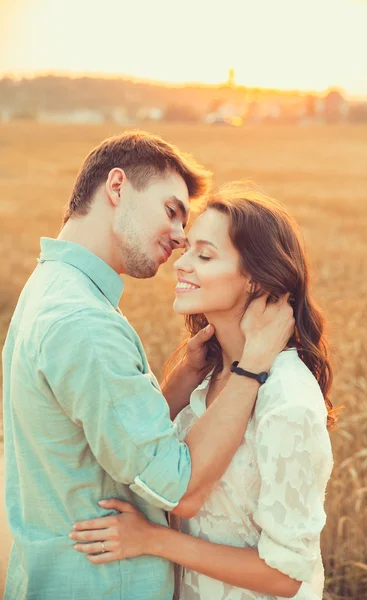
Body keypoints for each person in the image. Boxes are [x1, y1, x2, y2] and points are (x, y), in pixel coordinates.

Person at [2, 134, 294, 600]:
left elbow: (101, 440)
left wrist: (177, 385)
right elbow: (179, 490)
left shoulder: (52, 287)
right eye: (172, 210)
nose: (181, 237)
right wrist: (253, 364)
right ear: (117, 187)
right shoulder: (85, 323)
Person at [70, 185, 336, 600]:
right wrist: (184, 377)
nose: (181, 264)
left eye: (205, 255)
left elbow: (286, 576)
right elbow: (149, 456)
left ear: (256, 281)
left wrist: (152, 540)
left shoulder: (288, 399)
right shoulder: (208, 374)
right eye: (187, 249)